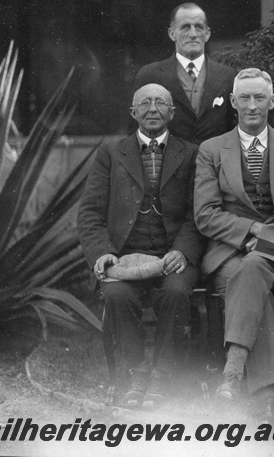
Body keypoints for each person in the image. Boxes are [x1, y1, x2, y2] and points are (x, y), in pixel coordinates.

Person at [77, 83, 204, 408]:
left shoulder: (190, 153)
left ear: (172, 113)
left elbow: (197, 213)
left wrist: (183, 251)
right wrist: (103, 252)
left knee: (176, 293)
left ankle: (161, 376)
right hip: (124, 258)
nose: (152, 109)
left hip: (172, 257)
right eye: (144, 103)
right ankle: (137, 371)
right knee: (117, 294)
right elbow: (90, 212)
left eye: (160, 103)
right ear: (133, 112)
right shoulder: (110, 153)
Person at [193, 68, 274, 422]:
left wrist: (269, 238)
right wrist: (250, 232)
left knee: (255, 267)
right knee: (252, 272)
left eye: (260, 97)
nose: (253, 105)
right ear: (232, 102)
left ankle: (232, 373)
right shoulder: (211, 150)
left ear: (273, 101)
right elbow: (206, 214)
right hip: (229, 252)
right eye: (244, 97)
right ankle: (266, 396)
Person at [135, 3, 236, 145]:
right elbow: (137, 130)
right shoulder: (150, 75)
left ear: (207, 34)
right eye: (185, 27)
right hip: (168, 163)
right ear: (172, 33)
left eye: (199, 27)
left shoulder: (228, 76)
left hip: (214, 164)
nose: (193, 34)